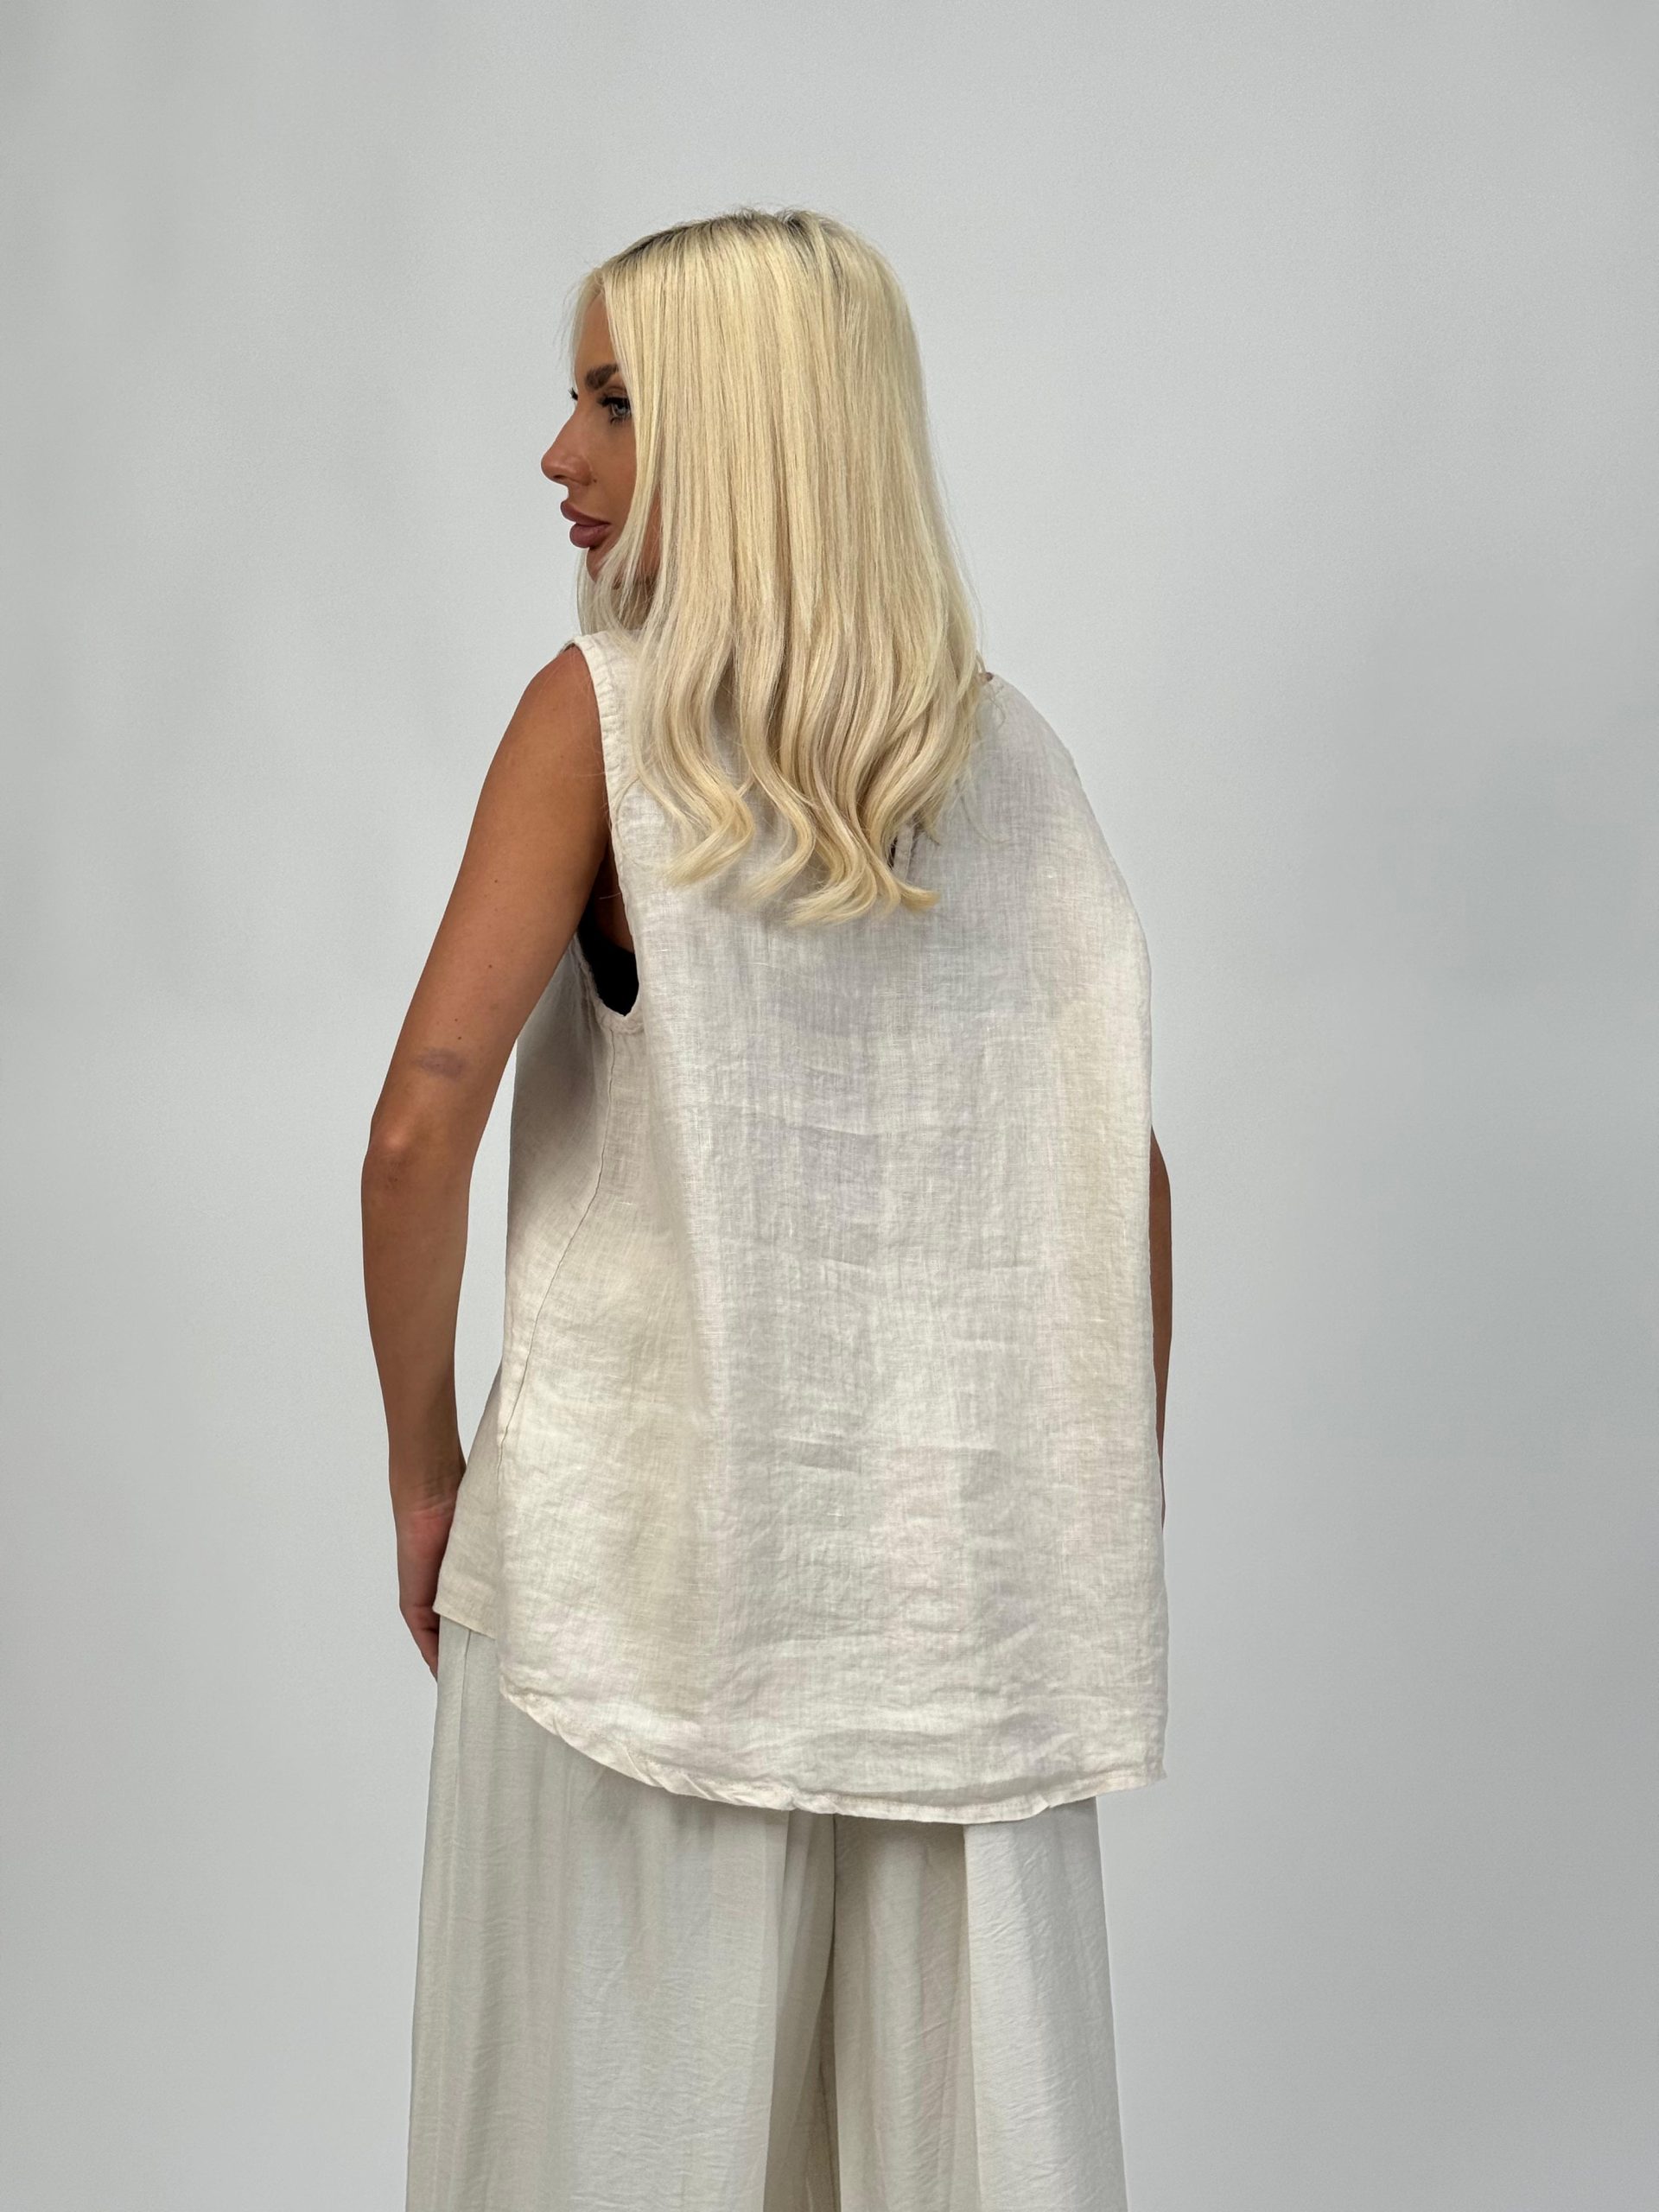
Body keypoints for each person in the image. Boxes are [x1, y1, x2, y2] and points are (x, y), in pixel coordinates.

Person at [362, 207, 1173, 2212]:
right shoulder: (1013, 757)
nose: (558, 452)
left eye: (614, 402)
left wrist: (424, 1472)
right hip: (957, 1623)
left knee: (605, 2147)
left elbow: (419, 1125)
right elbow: (1126, 1183)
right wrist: (1055, 1527)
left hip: (629, 1578)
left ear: (749, 433)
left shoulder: (602, 719)